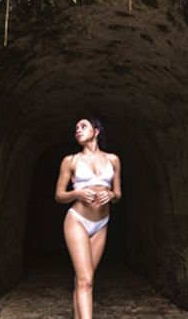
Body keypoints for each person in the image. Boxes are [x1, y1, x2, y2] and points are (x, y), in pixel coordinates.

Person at [54, 117, 122, 319]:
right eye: (75, 128)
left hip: (102, 223)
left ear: (97, 131)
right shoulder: (70, 161)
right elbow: (59, 195)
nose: (78, 130)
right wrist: (78, 194)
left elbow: (118, 195)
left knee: (84, 280)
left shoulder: (113, 160)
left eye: (83, 126)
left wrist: (111, 195)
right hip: (77, 220)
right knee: (86, 280)